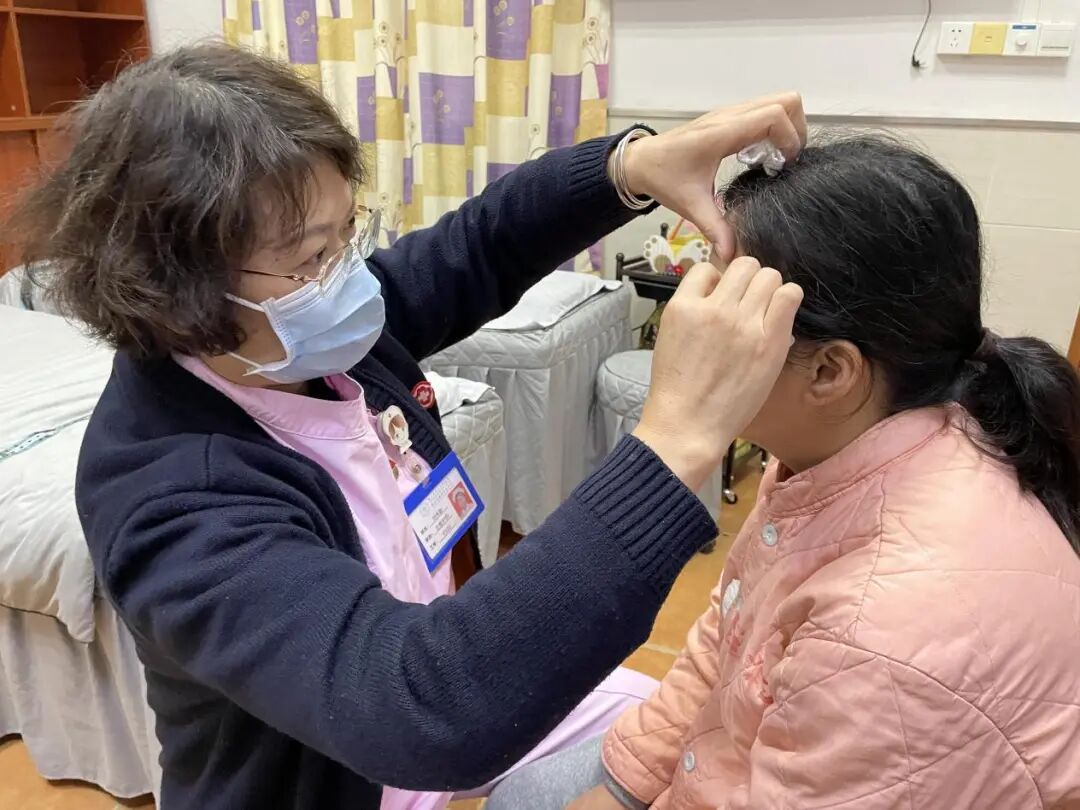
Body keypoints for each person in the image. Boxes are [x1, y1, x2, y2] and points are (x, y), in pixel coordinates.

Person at [5, 44, 808, 810]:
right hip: (361, 765)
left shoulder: (314, 342)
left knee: (680, 732)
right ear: (178, 289)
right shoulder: (170, 496)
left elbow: (477, 247)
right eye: (309, 257)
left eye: (345, 235)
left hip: (439, 706)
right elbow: (422, 708)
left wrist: (628, 168)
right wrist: (674, 442)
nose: (344, 276)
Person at [487, 135, 1080, 810]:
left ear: (829, 370)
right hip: (754, 743)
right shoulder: (839, 449)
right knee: (527, 794)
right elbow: (729, 638)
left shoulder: (885, 636)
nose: (694, 320)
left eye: (730, 302)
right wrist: (628, 783)